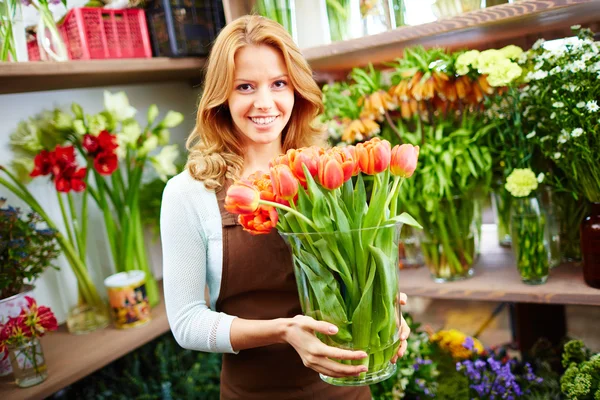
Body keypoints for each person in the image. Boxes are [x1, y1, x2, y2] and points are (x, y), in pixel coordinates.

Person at [160, 15, 411, 400]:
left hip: (348, 391)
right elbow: (187, 322)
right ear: (221, 97)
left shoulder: (333, 173)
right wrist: (283, 331)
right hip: (256, 392)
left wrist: (384, 309)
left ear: (297, 89)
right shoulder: (188, 194)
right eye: (245, 86)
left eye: (279, 83)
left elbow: (355, 277)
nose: (265, 102)